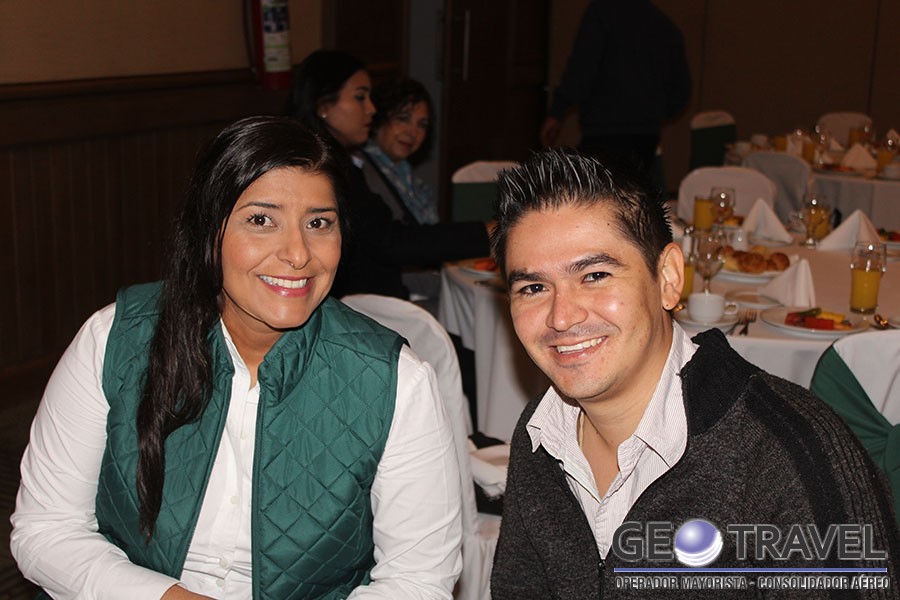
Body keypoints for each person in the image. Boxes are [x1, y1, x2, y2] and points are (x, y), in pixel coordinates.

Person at [11, 116, 463, 599]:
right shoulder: (114, 340)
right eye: (261, 220)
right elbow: (47, 529)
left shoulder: (396, 381)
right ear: (209, 230)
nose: (298, 254)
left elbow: (418, 579)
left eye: (318, 223)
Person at [488, 148, 899, 597]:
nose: (561, 317)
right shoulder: (541, 436)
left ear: (668, 278)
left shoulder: (794, 457)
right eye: (533, 287)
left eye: (595, 275)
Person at [286, 50, 490, 300]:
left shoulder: (336, 160)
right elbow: (389, 241)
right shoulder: (323, 167)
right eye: (360, 97)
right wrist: (486, 233)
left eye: (422, 125)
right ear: (324, 105)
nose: (371, 109)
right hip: (361, 305)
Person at [540, 0, 691, 174]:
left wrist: (557, 110)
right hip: (645, 136)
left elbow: (582, 68)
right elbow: (681, 92)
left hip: (603, 130)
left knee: (592, 188)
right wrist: (652, 112)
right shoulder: (664, 25)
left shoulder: (602, 12)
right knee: (631, 188)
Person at [361, 78, 438, 225]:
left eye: (422, 125)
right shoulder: (362, 169)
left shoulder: (415, 182)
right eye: (403, 119)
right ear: (379, 119)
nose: (412, 133)